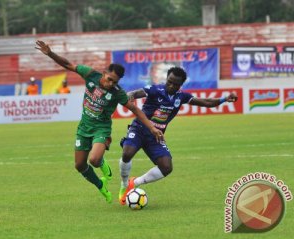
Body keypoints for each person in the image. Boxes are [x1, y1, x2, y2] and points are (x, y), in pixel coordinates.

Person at [35, 40, 164, 204]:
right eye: (109, 79)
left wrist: (152, 127)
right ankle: (100, 184)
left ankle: (101, 162)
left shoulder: (118, 93)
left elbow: (135, 109)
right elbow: (68, 64)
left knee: (94, 160)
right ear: (103, 73)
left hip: (101, 129)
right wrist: (50, 53)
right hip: (84, 126)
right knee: (79, 166)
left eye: (115, 82)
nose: (111, 84)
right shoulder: (90, 74)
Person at [118, 66, 238, 205]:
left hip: (156, 136)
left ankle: (135, 182)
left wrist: (224, 99)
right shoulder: (155, 90)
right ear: (166, 79)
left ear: (181, 85)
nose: (171, 85)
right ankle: (125, 184)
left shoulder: (181, 97)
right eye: (169, 81)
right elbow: (136, 93)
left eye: (175, 84)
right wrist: (130, 96)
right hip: (139, 129)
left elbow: (205, 102)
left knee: (166, 167)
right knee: (127, 153)